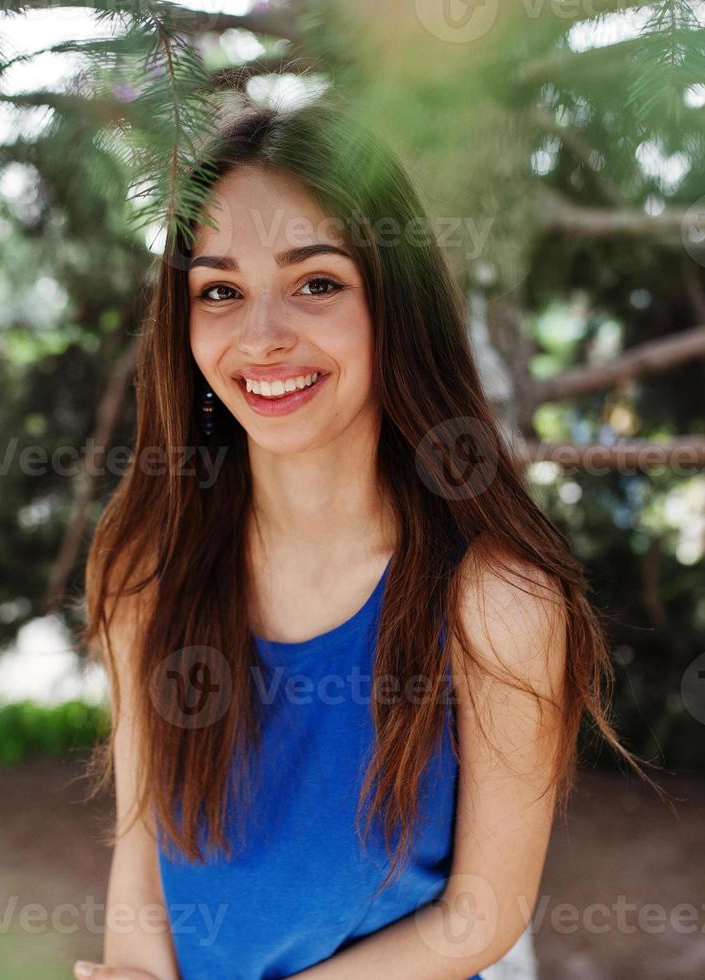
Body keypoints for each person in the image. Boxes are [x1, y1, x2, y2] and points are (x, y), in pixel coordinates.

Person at [74, 96, 640, 980]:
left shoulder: (495, 599)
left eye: (316, 283)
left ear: (394, 302)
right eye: (219, 291)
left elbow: (481, 914)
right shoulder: (147, 566)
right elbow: (143, 837)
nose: (261, 338)